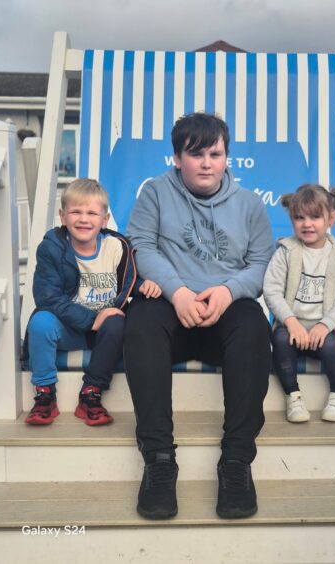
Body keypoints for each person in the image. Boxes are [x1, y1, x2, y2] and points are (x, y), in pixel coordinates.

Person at [125, 112, 274, 520]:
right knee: (138, 322)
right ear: (176, 158)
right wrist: (178, 292)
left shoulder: (249, 204)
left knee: (253, 325)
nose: (207, 162)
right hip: (172, 306)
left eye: (216, 153)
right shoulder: (155, 193)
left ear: (227, 158)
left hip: (225, 308)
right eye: (196, 154)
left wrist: (228, 291)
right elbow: (141, 246)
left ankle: (236, 462)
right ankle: (158, 459)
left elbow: (261, 262)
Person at [24, 178, 161, 426]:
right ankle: (45, 393)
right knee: (41, 322)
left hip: (104, 333)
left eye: (92, 213)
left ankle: (91, 393)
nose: (84, 219)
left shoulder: (116, 247)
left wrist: (142, 286)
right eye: (75, 211)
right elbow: (47, 297)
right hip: (68, 325)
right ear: (62, 216)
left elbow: (126, 281)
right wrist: (91, 319)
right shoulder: (52, 248)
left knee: (118, 321)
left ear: (104, 219)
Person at [263, 184, 335, 424]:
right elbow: (271, 290)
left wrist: (326, 325)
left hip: (322, 330)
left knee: (333, 347)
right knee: (280, 340)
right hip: (292, 327)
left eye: (315, 217)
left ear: (331, 219)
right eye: (299, 217)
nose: (307, 224)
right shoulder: (286, 252)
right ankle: (293, 396)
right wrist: (290, 321)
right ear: (291, 219)